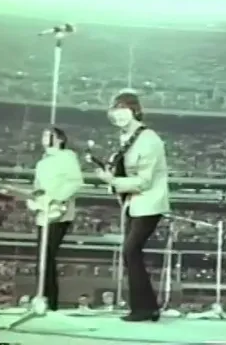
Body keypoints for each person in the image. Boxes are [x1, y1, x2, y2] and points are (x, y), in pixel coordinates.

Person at [94, 89, 170, 322]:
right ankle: (147, 307)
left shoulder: (148, 139)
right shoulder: (126, 139)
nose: (117, 117)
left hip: (150, 202)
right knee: (131, 253)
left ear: (134, 111)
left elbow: (144, 181)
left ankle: (145, 307)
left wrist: (112, 181)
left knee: (130, 251)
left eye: (122, 110)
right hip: (134, 204)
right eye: (114, 112)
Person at [31, 127, 84, 311]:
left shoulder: (67, 156)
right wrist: (34, 201)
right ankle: (43, 297)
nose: (45, 138)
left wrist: (58, 199)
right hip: (43, 212)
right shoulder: (41, 163)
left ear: (60, 139)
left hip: (59, 211)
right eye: (43, 135)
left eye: (49, 135)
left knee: (47, 253)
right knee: (42, 256)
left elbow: (76, 182)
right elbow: (37, 187)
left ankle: (49, 300)